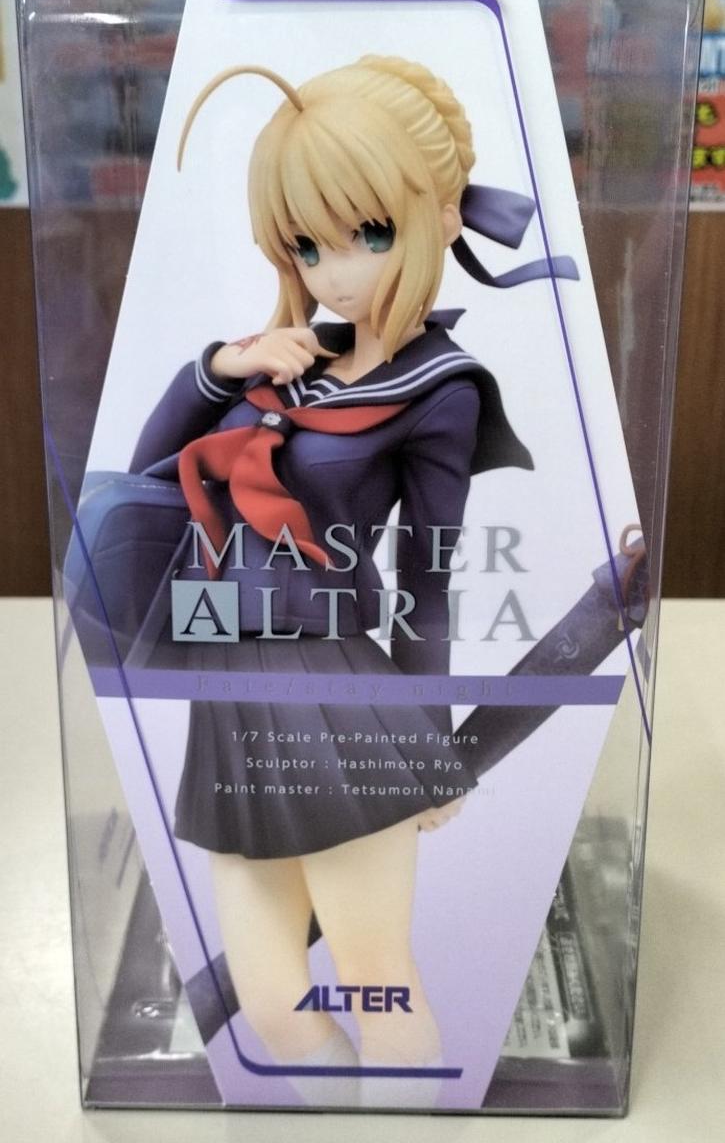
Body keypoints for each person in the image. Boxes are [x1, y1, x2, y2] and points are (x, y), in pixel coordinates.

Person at [127, 54, 576, 1107]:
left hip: (334, 690)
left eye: (366, 234)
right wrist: (221, 368)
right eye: (304, 244)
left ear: (434, 218)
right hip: (229, 699)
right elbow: (147, 483)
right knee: (275, 1006)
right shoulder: (289, 361)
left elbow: (427, 573)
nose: (331, 272)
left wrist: (430, 738)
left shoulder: (438, 389)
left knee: (376, 978)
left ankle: (405, 1121)